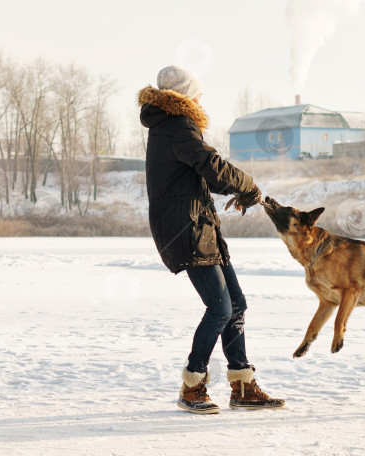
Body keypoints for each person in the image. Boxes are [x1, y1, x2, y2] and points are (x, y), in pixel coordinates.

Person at [138, 65, 285, 414]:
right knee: (220, 307)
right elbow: (211, 163)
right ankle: (192, 386)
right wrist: (247, 184)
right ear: (185, 96)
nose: (202, 98)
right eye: (198, 93)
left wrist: (239, 190)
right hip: (185, 230)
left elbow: (207, 177)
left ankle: (243, 385)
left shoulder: (171, 126)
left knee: (236, 305)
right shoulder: (176, 125)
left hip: (200, 227)